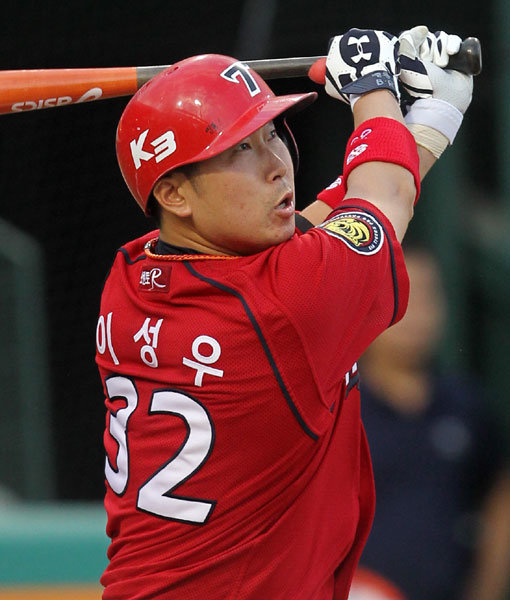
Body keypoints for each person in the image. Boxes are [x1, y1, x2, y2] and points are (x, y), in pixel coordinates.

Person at [95, 26, 474, 599]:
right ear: (174, 196)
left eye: (271, 134)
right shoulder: (282, 307)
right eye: (240, 151)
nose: (277, 165)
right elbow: (381, 200)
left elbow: (338, 222)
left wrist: (425, 122)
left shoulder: (130, 276)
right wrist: (372, 87)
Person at [358, 246, 510, 600]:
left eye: (427, 296)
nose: (416, 313)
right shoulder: (336, 407)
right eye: (402, 296)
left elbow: (500, 493)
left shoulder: (465, 404)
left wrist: (486, 590)